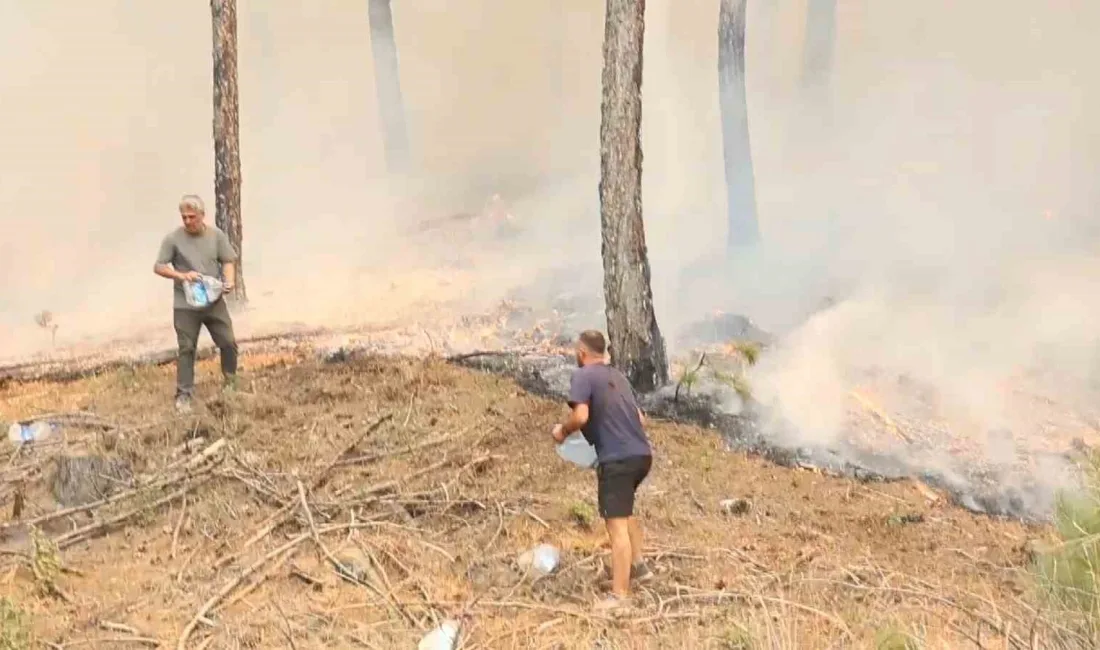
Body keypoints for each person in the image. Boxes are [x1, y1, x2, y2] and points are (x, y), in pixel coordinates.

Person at [551, 330, 654, 613]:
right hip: (642, 455)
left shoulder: (583, 376)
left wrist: (562, 431)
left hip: (617, 459)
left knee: (616, 525)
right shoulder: (617, 377)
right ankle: (639, 566)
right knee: (625, 510)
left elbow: (581, 416)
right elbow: (640, 420)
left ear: (582, 353)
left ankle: (619, 597)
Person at [153, 194, 239, 413]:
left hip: (213, 301)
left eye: (192, 216)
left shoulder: (216, 236)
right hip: (185, 304)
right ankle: (184, 394)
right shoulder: (173, 239)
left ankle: (230, 384)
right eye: (184, 217)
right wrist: (182, 276)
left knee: (228, 342)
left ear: (202, 215)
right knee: (187, 348)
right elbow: (159, 267)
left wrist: (229, 281)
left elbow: (228, 260)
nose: (188, 221)